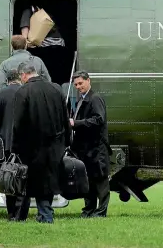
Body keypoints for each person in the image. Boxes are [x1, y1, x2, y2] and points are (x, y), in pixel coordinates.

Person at [11, 61, 72, 223]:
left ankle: (44, 215)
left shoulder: (23, 92)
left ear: (23, 75)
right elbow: (65, 118)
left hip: (32, 146)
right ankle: (44, 213)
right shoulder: (56, 89)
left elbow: (18, 123)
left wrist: (15, 147)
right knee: (49, 180)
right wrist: (67, 140)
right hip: (55, 145)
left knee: (33, 181)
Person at [69, 70, 110, 218]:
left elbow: (99, 119)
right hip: (86, 148)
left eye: (80, 83)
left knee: (101, 180)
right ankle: (89, 209)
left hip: (96, 147)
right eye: (76, 85)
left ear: (88, 81)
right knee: (89, 181)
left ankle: (100, 212)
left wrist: (76, 123)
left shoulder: (95, 98)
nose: (78, 87)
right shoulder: (82, 99)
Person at [0, 69, 25, 221]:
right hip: (26, 143)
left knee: (9, 177)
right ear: (20, 78)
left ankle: (11, 213)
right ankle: (22, 214)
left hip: (6, 143)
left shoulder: (0, 94)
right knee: (24, 177)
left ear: (7, 80)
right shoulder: (27, 91)